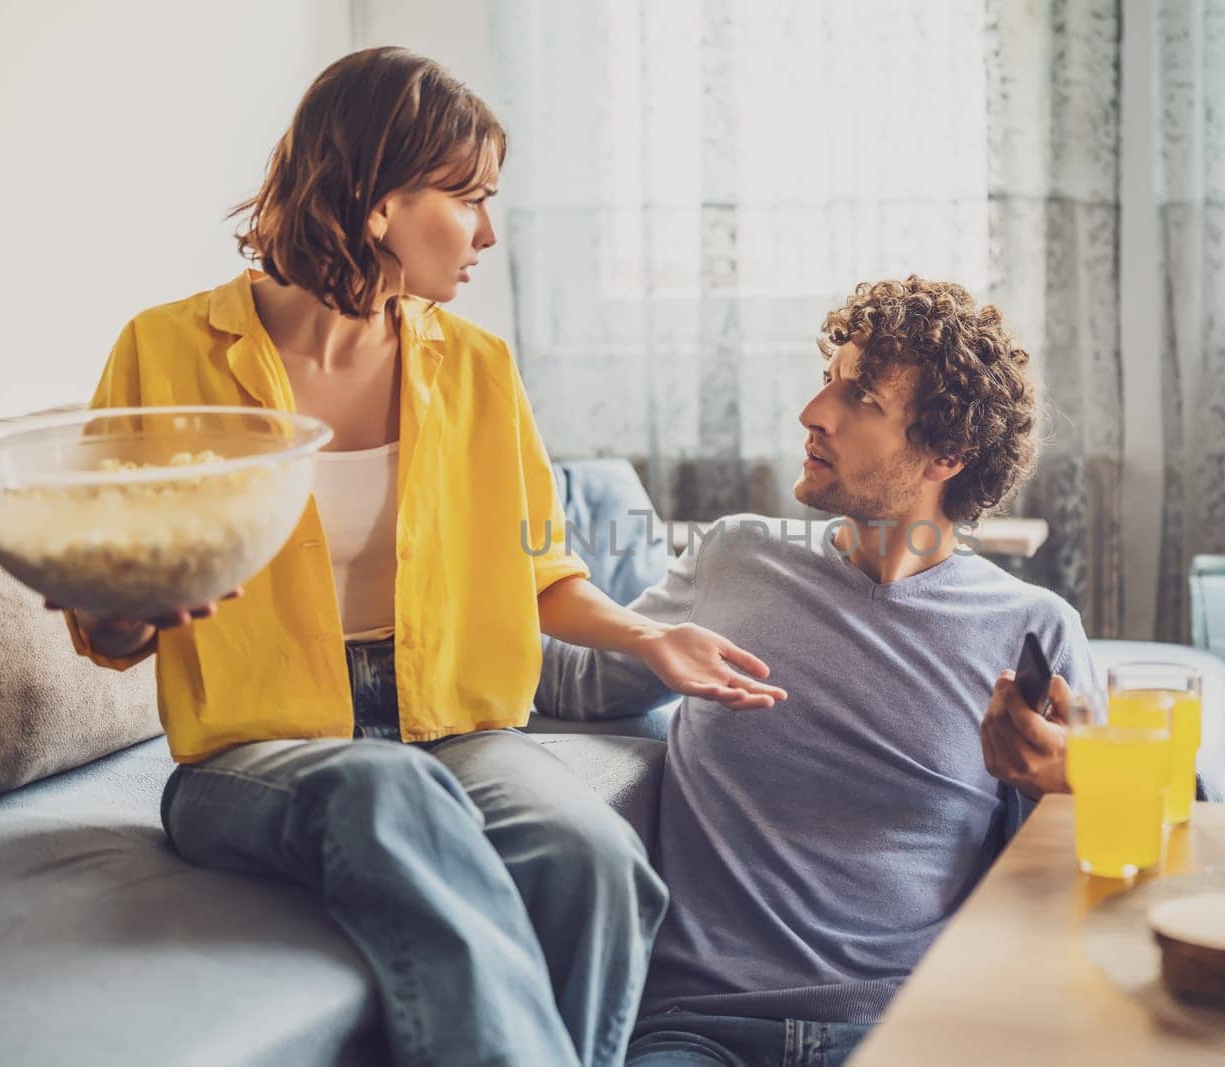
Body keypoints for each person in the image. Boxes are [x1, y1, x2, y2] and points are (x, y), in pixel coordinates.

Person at [52, 47, 785, 1067]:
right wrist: (137, 609)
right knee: (383, 790)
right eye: (467, 197)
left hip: (448, 726)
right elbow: (105, 612)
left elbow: (542, 564)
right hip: (250, 754)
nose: (487, 231)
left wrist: (650, 636)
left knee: (593, 856)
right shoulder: (167, 353)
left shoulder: (477, 367)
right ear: (374, 200)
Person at [534, 277, 1100, 1065]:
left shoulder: (1033, 630)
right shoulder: (733, 557)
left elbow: (1112, 876)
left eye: (860, 396)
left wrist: (1067, 783)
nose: (812, 412)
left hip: (909, 1030)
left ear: (948, 452)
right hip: (698, 1028)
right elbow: (574, 680)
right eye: (828, 378)